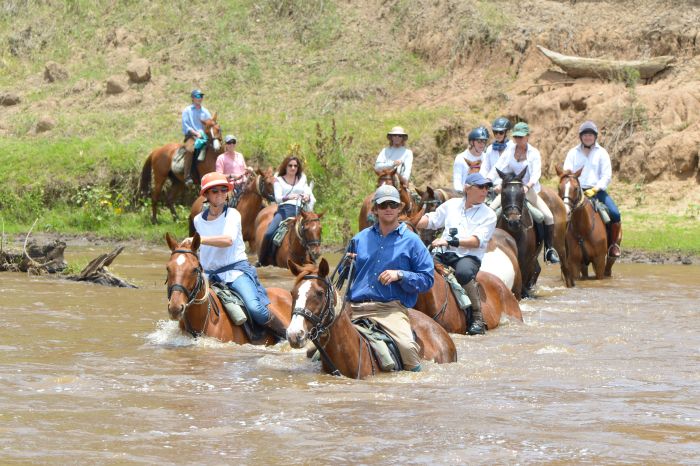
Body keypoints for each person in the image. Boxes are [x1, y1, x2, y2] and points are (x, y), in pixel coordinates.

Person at [343, 184, 434, 371]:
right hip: (355, 308)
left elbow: (427, 279)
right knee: (315, 349)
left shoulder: (412, 241)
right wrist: (346, 264)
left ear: (400, 208)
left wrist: (400, 275)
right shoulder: (358, 239)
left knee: (408, 348)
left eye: (393, 205)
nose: (389, 209)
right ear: (375, 209)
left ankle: (415, 385)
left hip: (390, 310)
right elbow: (346, 277)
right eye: (383, 205)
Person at [192, 172, 287, 338]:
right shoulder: (198, 220)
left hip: (235, 272)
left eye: (223, 190)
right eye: (215, 191)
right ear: (206, 194)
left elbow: (227, 240)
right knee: (185, 302)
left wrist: (200, 240)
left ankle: (287, 337)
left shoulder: (233, 214)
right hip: (208, 275)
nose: (220, 194)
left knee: (255, 309)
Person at [416, 173, 496, 335]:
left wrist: (449, 242)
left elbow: (476, 241)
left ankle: (477, 317)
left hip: (469, 257)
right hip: (445, 253)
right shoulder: (451, 204)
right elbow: (433, 220)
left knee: (463, 273)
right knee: (420, 267)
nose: (485, 191)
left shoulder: (489, 214)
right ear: (467, 188)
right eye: (480, 187)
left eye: (487, 187)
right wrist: (410, 221)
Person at [488, 122, 560, 264]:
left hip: (528, 190)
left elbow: (536, 173)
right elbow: (498, 167)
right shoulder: (509, 150)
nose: (518, 139)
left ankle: (549, 250)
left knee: (548, 216)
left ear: (527, 137)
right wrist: (489, 181)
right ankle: (485, 244)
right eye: (516, 136)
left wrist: (527, 186)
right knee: (490, 211)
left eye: (521, 137)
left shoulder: (534, 153)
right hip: (510, 190)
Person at [564, 121, 622, 257]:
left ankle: (613, 245)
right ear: (581, 137)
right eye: (585, 135)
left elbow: (606, 176)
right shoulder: (573, 153)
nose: (587, 137)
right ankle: (560, 247)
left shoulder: (602, 153)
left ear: (595, 137)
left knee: (615, 213)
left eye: (590, 135)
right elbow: (567, 172)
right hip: (576, 191)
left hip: (596, 191)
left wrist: (595, 189)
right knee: (561, 214)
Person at [259, 156, 316, 265]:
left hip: (300, 211)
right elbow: (278, 198)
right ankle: (263, 260)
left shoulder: (302, 178)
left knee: (312, 230)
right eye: (290, 165)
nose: (293, 168)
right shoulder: (278, 179)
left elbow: (307, 192)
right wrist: (289, 197)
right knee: (268, 233)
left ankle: (313, 257)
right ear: (285, 166)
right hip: (284, 211)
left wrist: (307, 197)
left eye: (295, 165)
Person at [181, 89, 212, 186]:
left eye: (201, 96)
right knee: (190, 150)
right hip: (191, 136)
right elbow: (186, 125)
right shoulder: (187, 110)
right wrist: (195, 133)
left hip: (204, 136)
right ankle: (187, 176)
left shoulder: (205, 112)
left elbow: (210, 124)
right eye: (197, 96)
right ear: (193, 98)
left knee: (214, 148)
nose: (200, 98)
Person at [481, 117, 515, 186]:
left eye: (501, 132)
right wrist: (481, 180)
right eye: (495, 132)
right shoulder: (490, 148)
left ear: (507, 132)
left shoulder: (513, 148)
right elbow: (485, 167)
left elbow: (501, 165)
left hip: (508, 185)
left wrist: (489, 179)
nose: (497, 135)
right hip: (491, 184)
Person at [453, 126, 489, 191]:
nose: (482, 144)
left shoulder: (487, 157)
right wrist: (461, 193)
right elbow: (457, 181)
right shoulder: (460, 158)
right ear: (471, 142)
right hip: (465, 195)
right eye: (479, 141)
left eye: (484, 141)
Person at [216, 135, 249, 203]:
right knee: (228, 204)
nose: (231, 144)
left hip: (244, 184)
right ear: (225, 144)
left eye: (233, 142)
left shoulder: (240, 155)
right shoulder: (221, 158)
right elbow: (218, 176)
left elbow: (245, 170)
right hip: (230, 187)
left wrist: (249, 169)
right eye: (229, 142)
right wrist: (231, 176)